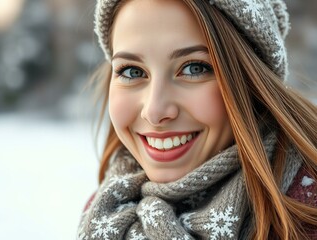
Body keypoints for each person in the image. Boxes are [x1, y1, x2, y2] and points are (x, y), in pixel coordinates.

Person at [78, 0, 317, 239]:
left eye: (194, 68)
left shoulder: (306, 217)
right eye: (132, 71)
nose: (154, 111)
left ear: (252, 80)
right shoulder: (105, 214)